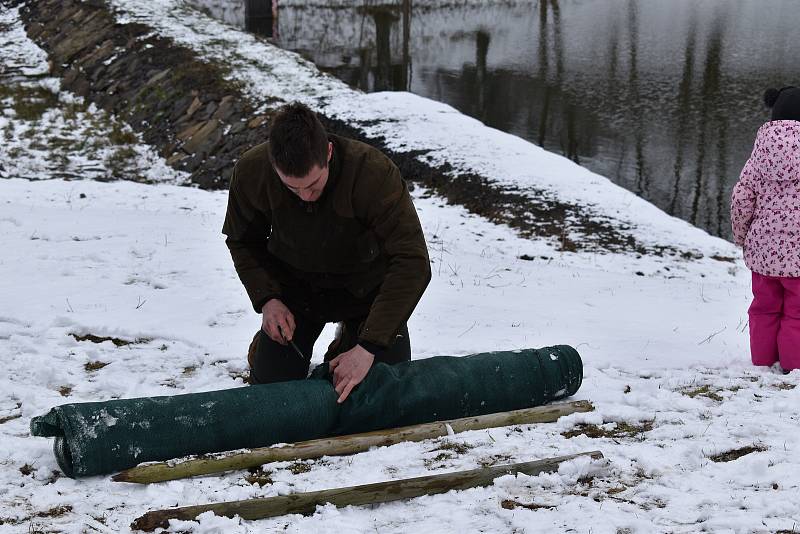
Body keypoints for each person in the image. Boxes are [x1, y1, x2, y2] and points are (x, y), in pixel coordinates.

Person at [222, 102, 431, 401]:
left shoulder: (374, 174)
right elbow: (242, 240)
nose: (305, 196)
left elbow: (412, 261)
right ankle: (268, 349)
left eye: (313, 184)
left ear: (329, 153)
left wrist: (369, 345)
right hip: (295, 293)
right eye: (293, 189)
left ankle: (350, 340)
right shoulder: (252, 172)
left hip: (365, 295)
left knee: (384, 391)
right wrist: (268, 299)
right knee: (271, 392)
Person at [731, 86, 800, 372]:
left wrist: (741, 235)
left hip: (764, 251)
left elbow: (742, 196)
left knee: (764, 307)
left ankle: (761, 361)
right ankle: (793, 365)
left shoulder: (761, 153)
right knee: (797, 313)